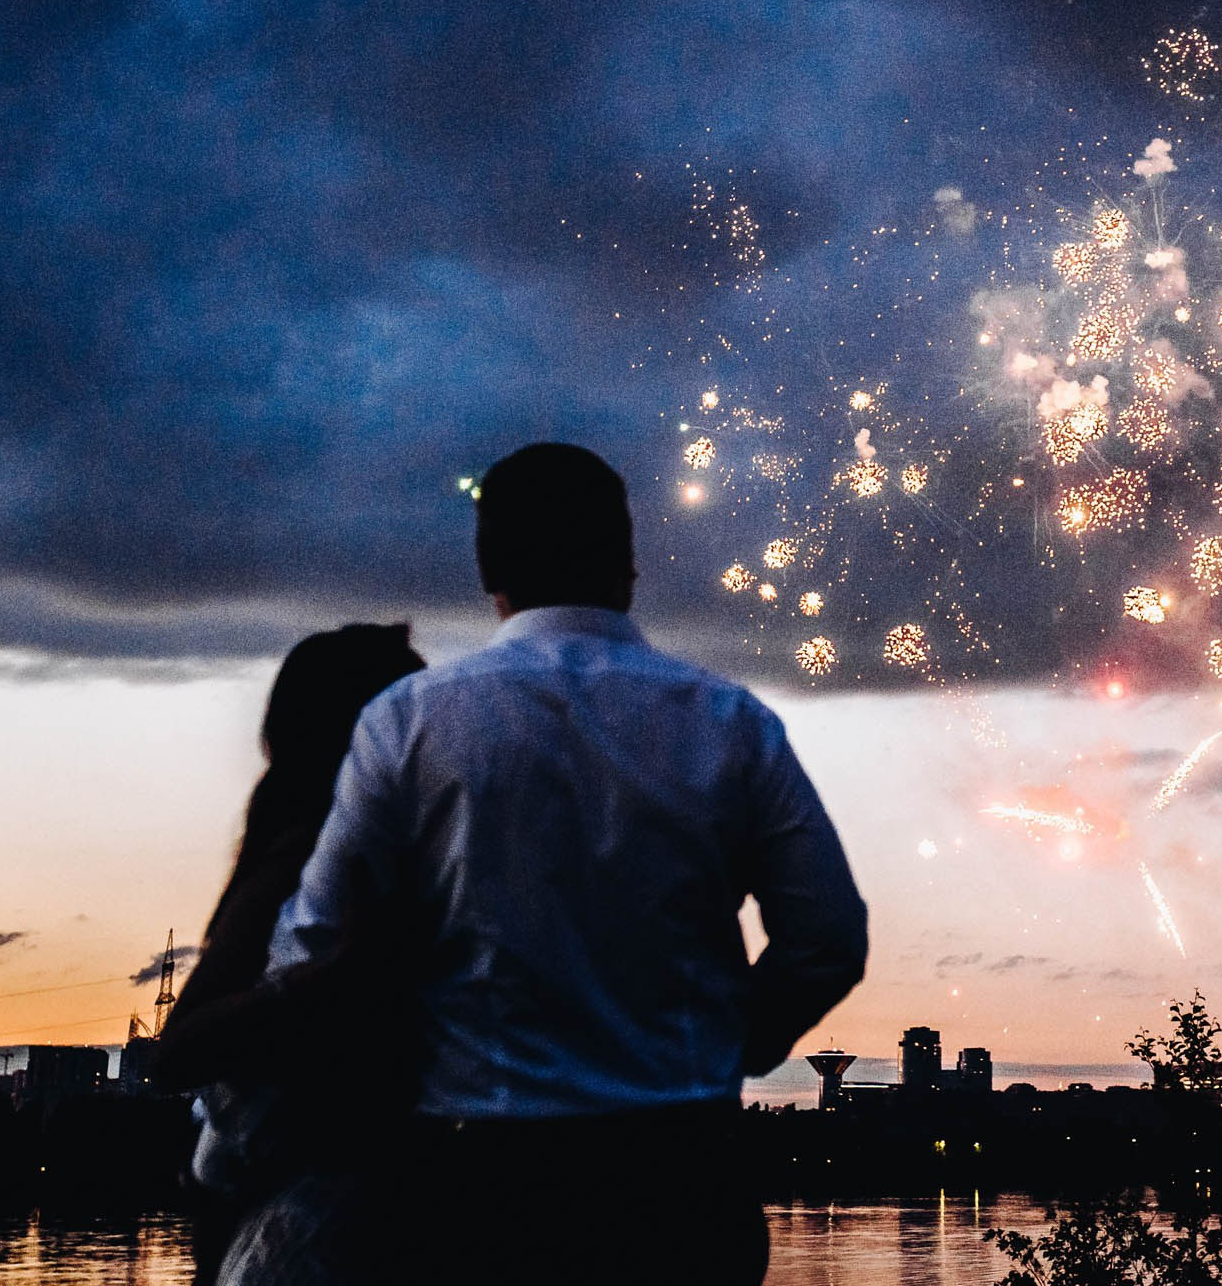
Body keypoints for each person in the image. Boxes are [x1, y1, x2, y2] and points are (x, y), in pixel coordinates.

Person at [267, 442, 869, 1283]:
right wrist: (731, 1045)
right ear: (628, 561)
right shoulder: (731, 723)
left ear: (487, 566)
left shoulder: (408, 722)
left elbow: (306, 953)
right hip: (680, 1180)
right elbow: (829, 938)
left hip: (474, 1182)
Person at [150, 623, 428, 1285]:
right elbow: (177, 1051)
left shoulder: (362, 852)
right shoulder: (306, 856)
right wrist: (339, 974)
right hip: (276, 1208)